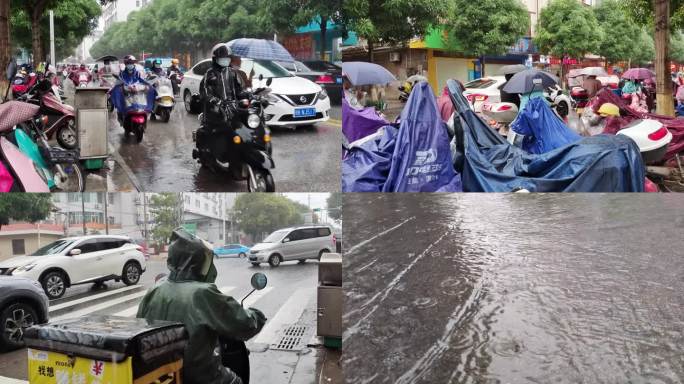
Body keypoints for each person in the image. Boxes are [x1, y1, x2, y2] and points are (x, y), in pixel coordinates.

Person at [137, 228, 266, 384]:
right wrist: (256, 315)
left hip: (163, 375)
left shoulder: (156, 289)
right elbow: (244, 325)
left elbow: (139, 326)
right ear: (196, 262)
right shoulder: (202, 293)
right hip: (201, 377)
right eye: (205, 260)